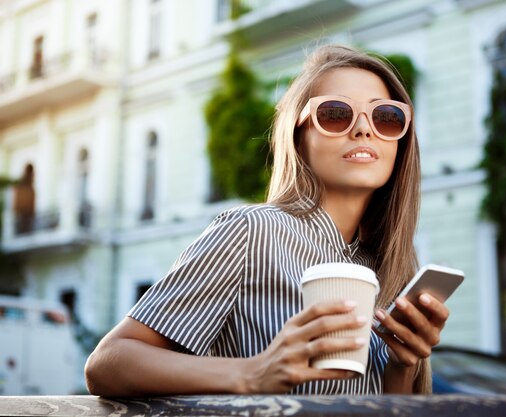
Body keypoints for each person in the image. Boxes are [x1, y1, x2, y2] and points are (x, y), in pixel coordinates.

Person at [84, 44, 449, 396]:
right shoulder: (250, 231)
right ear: (298, 135)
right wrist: (253, 373)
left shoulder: (392, 265)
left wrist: (403, 364)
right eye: (336, 113)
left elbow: (387, 408)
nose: (364, 129)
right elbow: (108, 362)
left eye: (386, 117)